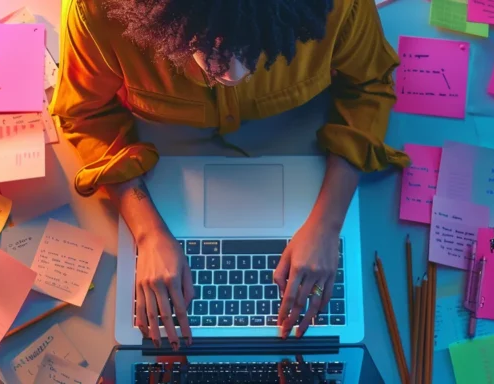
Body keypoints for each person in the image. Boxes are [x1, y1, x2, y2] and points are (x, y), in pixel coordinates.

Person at [51, 0, 410, 349]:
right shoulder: (96, 9)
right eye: (208, 46)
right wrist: (147, 233)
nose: (232, 74)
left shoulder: (339, 4)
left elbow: (369, 86)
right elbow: (84, 115)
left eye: (255, 48)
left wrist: (328, 224)